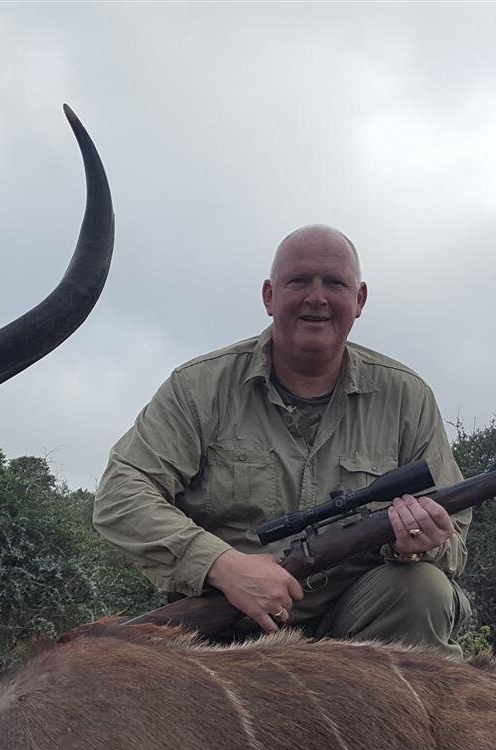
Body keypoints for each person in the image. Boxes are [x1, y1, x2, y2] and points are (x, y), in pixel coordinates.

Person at [93, 225, 472, 655]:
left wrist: (421, 545)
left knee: (422, 587)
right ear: (269, 296)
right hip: (231, 621)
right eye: (299, 281)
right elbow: (121, 496)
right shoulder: (197, 387)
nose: (316, 297)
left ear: (359, 300)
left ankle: (406, 720)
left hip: (360, 624)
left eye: (334, 283)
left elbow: (453, 534)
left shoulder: (408, 397)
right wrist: (222, 565)